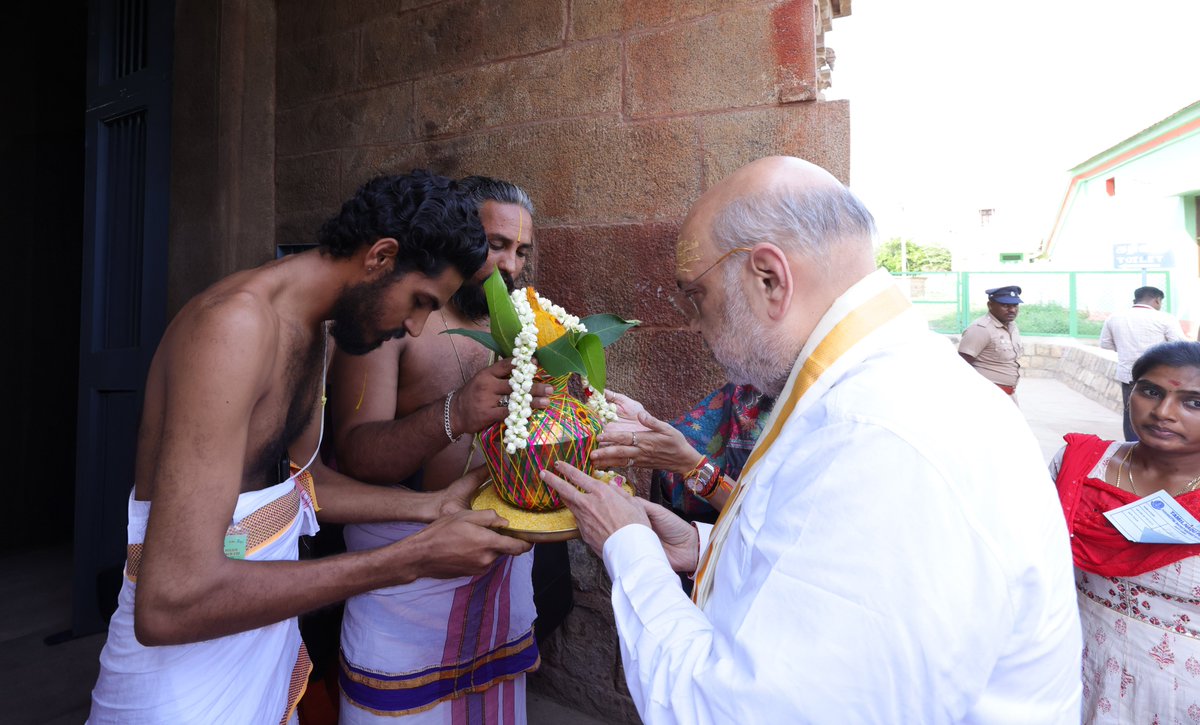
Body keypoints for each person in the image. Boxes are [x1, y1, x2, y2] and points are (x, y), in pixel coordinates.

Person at [540, 156, 1082, 722]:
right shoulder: (871, 391)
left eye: (695, 297)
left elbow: (742, 712)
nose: (694, 326)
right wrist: (704, 549)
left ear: (769, 279)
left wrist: (628, 549)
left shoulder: (884, 438)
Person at [87, 171, 531, 724]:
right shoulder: (234, 327)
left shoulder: (314, 326)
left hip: (266, 655)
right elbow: (171, 603)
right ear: (380, 257)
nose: (417, 328)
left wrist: (432, 508)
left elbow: (301, 485)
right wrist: (406, 559)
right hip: (182, 688)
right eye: (418, 301)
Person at [328, 176, 553, 722]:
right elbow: (353, 455)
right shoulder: (397, 319)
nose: (511, 266)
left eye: (521, 251)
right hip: (406, 590)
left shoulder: (523, 325)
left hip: (495, 572)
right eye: (496, 244)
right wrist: (455, 413)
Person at [1050, 340, 1200, 723]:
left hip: (1180, 695)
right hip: (1073, 669)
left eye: (1193, 402)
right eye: (1151, 392)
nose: (1163, 412)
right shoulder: (1077, 464)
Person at [591, 385, 774, 524]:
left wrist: (691, 465)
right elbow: (694, 442)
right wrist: (650, 430)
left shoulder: (799, 412)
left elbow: (766, 522)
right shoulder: (756, 384)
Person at [1099, 286, 1186, 441]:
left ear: (1136, 299)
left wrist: (1125, 349)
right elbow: (1179, 345)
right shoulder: (1165, 318)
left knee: (1131, 412)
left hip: (1128, 375)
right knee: (1160, 414)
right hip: (1159, 377)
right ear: (1157, 300)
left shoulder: (1114, 318)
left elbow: (1105, 344)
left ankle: (1132, 449)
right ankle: (1152, 448)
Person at [958, 285, 1024, 400]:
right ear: (990, 305)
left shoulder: (1011, 326)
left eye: (1015, 305)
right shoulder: (981, 329)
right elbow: (961, 365)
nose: (1012, 310)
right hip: (986, 397)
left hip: (1008, 395)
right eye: (1005, 305)